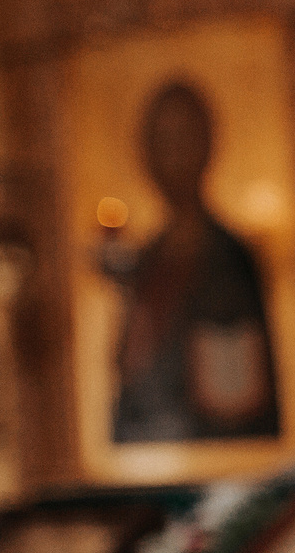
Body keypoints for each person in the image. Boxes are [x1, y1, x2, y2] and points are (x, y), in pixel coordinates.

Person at [105, 80, 280, 443]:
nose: (174, 157)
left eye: (185, 139)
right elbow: (127, 369)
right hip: (145, 443)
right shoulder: (144, 258)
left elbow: (242, 388)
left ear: (207, 145)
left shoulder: (231, 256)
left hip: (220, 444)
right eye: (162, 142)